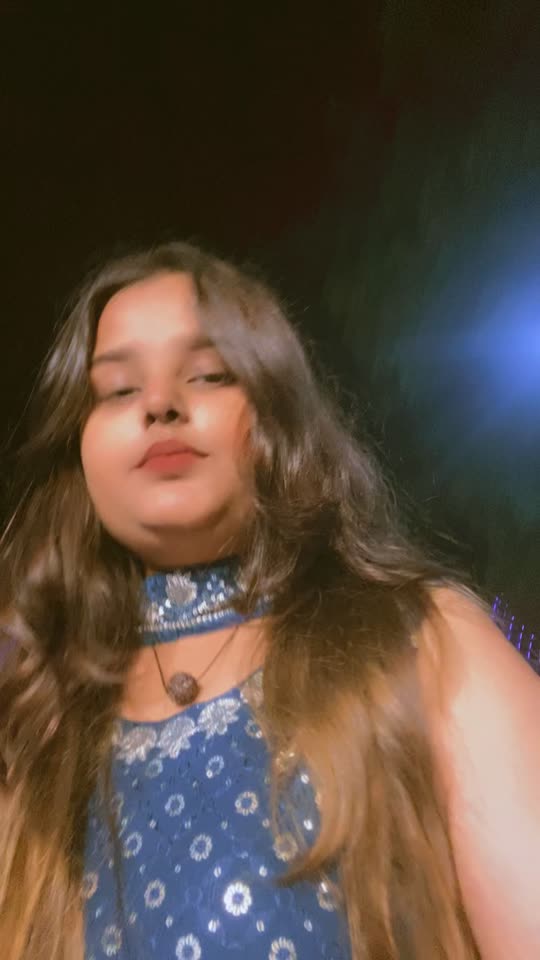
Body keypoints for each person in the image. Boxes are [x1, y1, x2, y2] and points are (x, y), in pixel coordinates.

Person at [0, 242, 538, 960]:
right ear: (79, 451)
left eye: (209, 374)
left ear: (276, 416)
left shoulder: (422, 643)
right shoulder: (38, 721)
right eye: (119, 390)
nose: (160, 404)